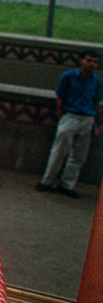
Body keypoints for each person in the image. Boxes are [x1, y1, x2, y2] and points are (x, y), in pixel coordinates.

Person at [35, 49, 102, 199]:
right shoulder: (69, 77)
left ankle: (67, 184)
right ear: (81, 60)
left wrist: (99, 122)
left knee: (79, 155)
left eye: (95, 62)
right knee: (59, 151)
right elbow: (60, 96)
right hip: (70, 116)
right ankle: (47, 181)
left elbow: (97, 102)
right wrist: (61, 115)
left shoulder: (96, 81)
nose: (92, 64)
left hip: (87, 119)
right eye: (89, 60)